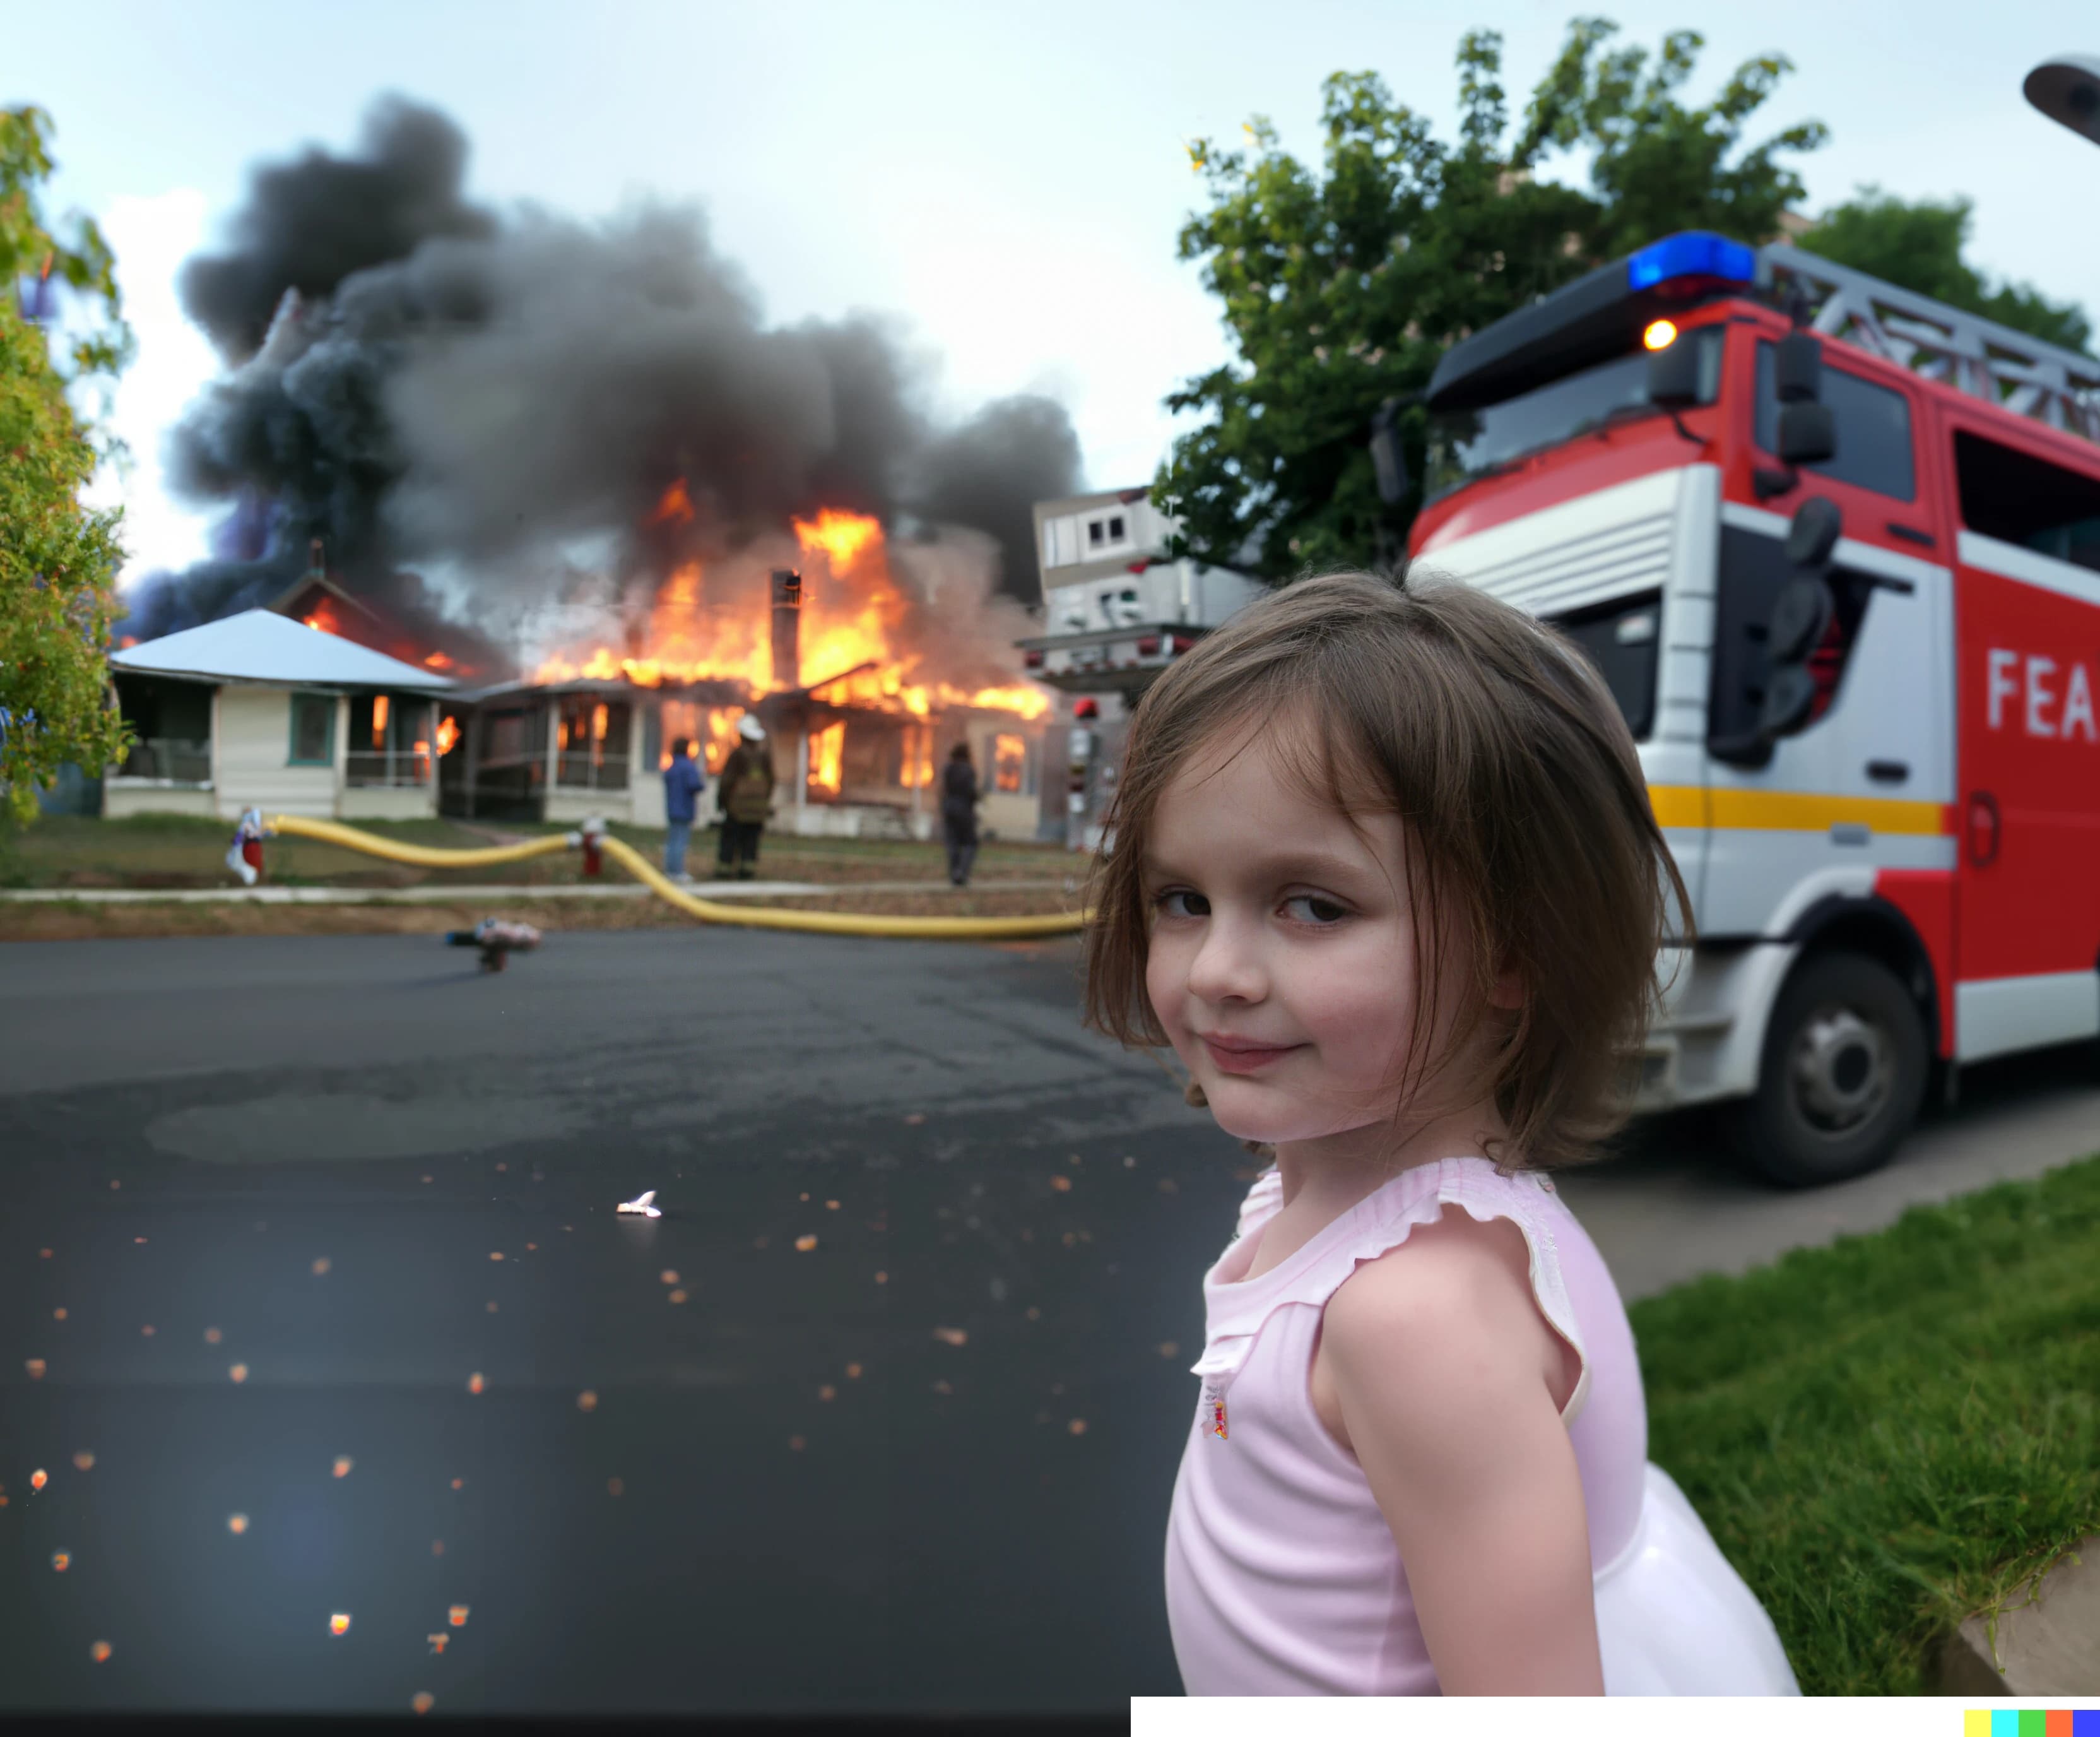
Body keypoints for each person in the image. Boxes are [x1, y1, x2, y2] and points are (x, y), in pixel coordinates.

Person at [1082, 570, 1800, 1697]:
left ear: (1519, 947)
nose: (1214, 970)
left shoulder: (1413, 1320)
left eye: (1310, 905)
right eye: (1181, 900)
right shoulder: (1344, 1197)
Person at [714, 714, 776, 880]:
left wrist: (721, 801)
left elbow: (727, 781)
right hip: (757, 809)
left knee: (730, 839)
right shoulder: (764, 757)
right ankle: (747, 870)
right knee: (751, 840)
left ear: (742, 735)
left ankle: (724, 870)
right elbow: (771, 781)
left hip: (737, 808)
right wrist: (763, 802)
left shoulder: (737, 755)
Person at [661, 738, 705, 882]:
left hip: (672, 809)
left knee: (672, 841)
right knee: (680, 842)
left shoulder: (672, 766)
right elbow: (695, 785)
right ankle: (678, 872)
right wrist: (701, 781)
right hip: (685, 809)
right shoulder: (688, 767)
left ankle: (670, 870)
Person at [940, 740, 980, 887]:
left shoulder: (948, 768)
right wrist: (977, 798)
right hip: (964, 810)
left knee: (953, 843)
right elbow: (971, 791)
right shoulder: (968, 770)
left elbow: (944, 789)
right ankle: (962, 872)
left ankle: (954, 874)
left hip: (949, 808)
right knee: (971, 843)